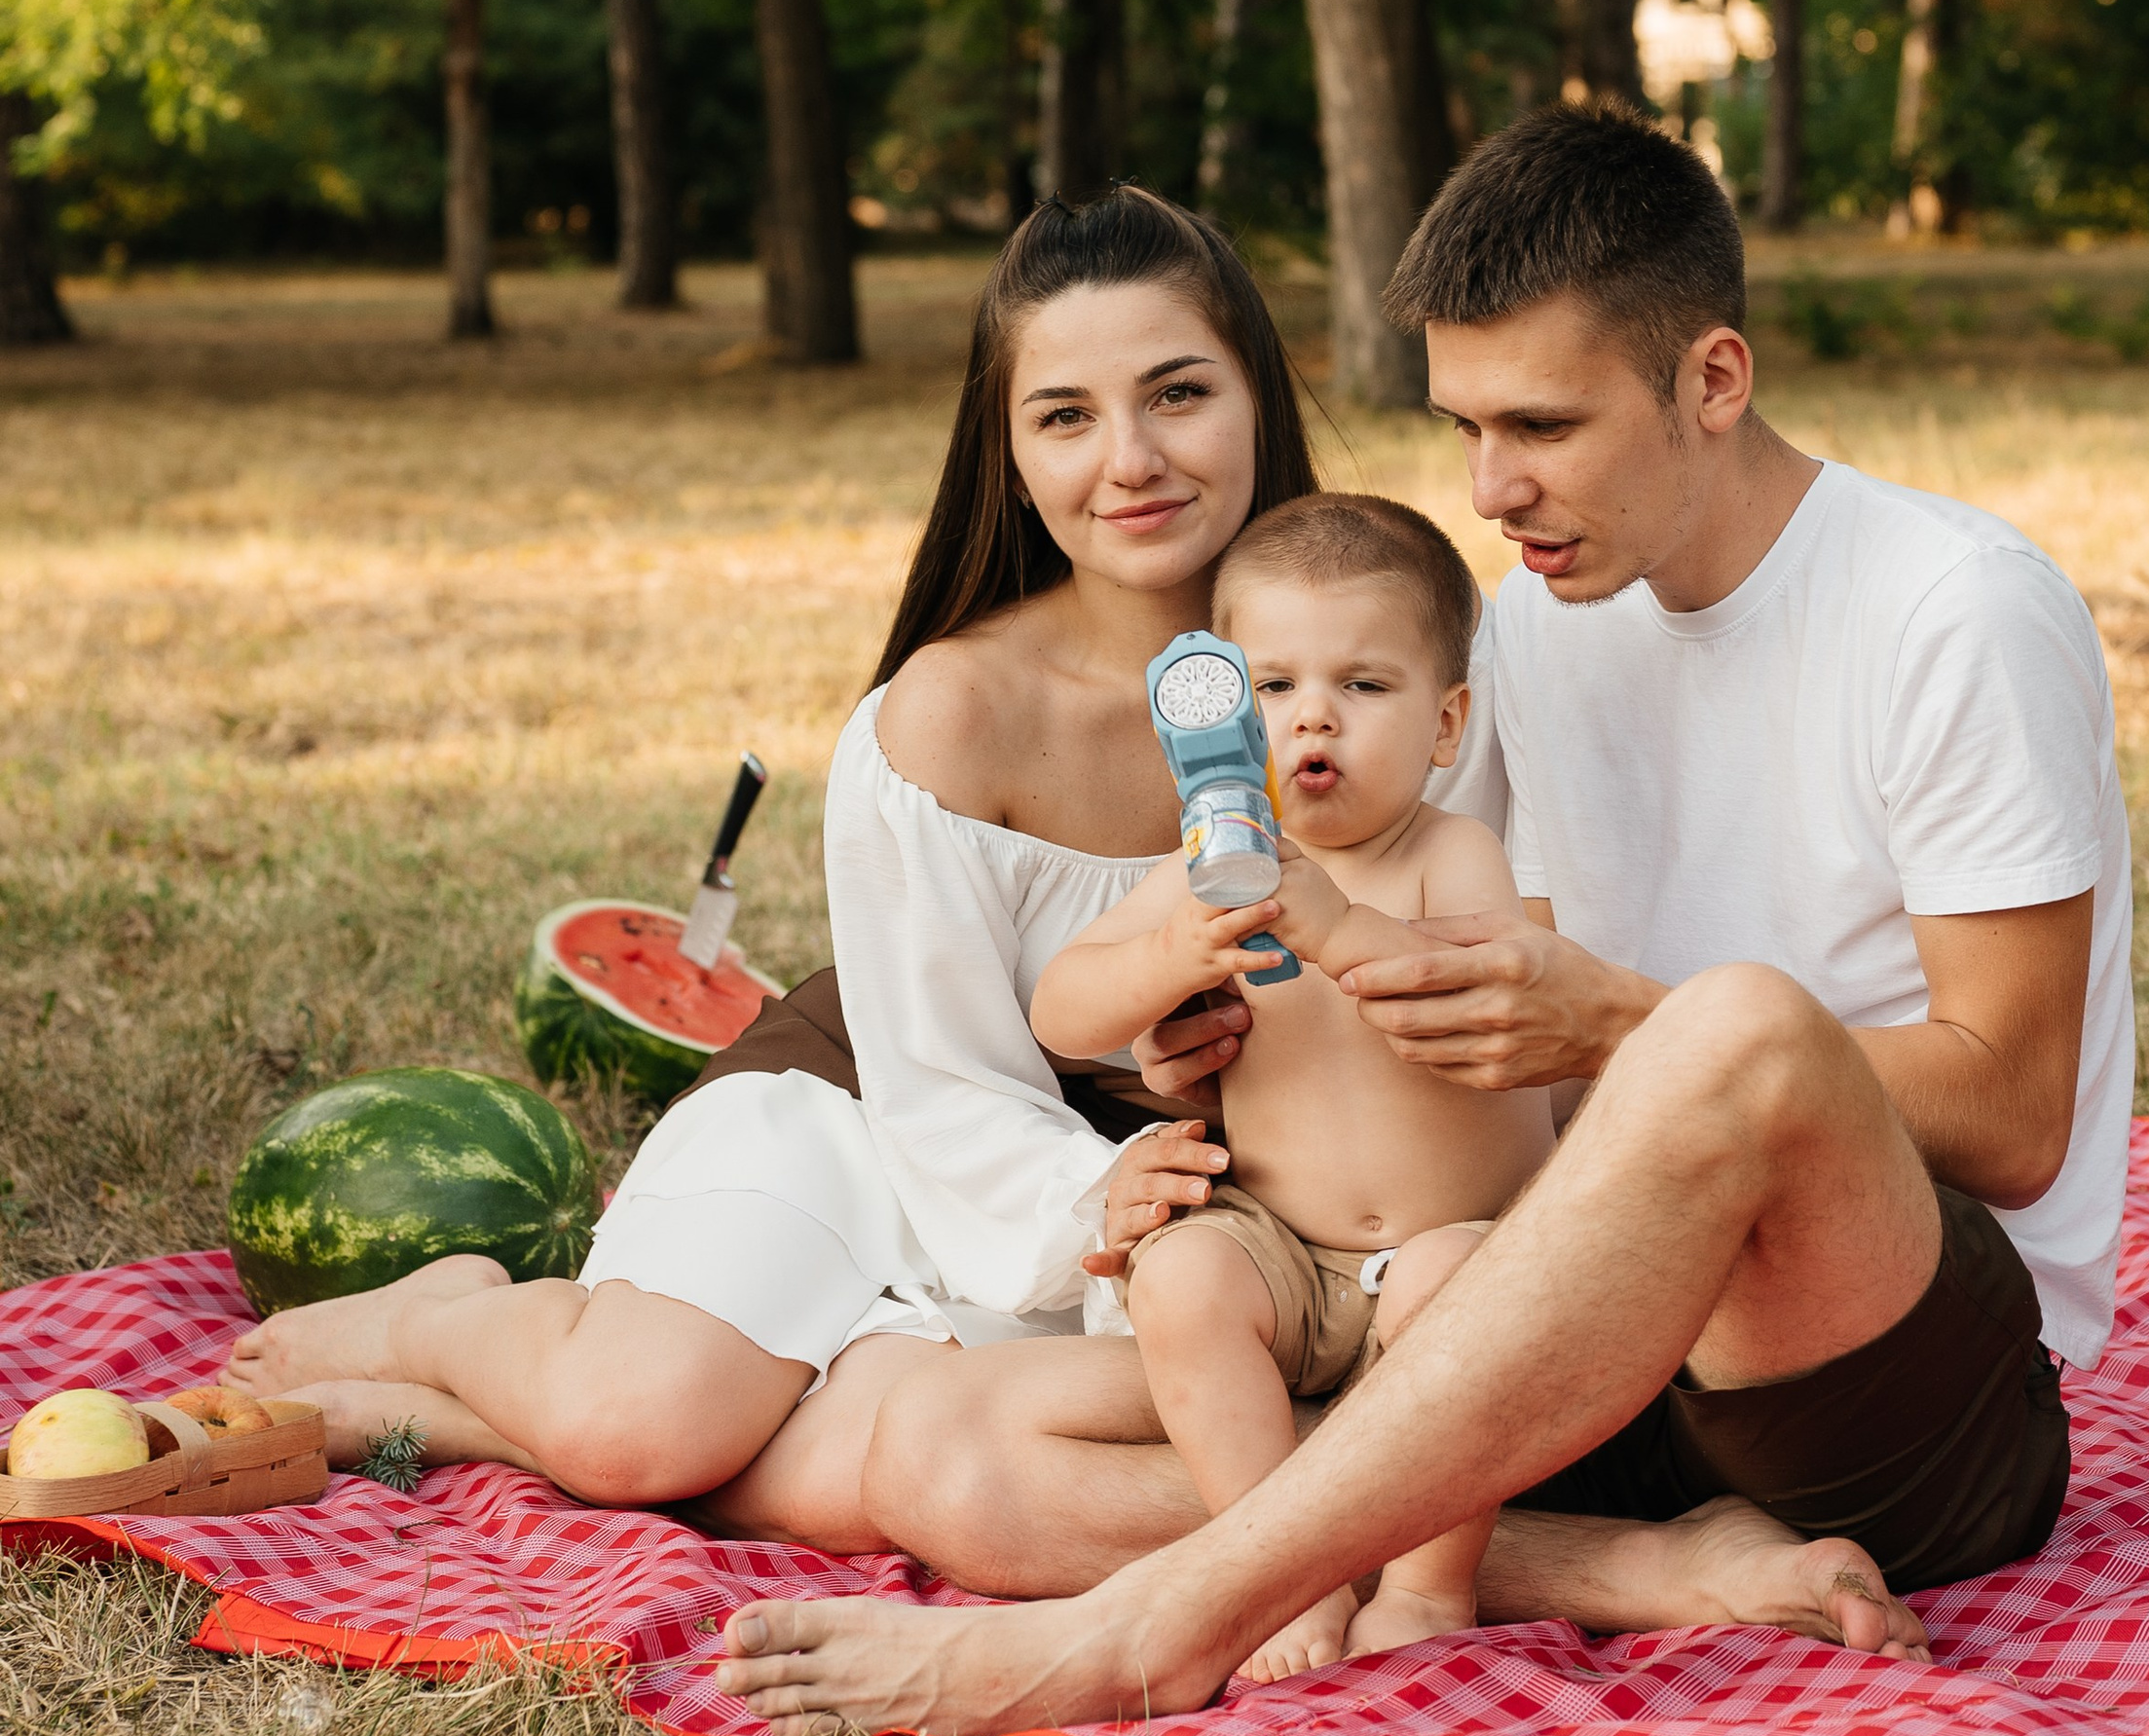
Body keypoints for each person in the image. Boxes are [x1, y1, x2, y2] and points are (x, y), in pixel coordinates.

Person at [711, 99, 2135, 1736]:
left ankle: (1157, 1624)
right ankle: (1634, 1561)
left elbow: (2017, 1112)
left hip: (1872, 1383)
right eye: (1463, 425)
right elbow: (1447, 976)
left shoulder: (1950, 611)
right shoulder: (1533, 624)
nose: (1491, 484)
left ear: (1714, 381)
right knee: (959, 1441)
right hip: (1583, 1318)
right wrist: (1229, 1049)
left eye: (1541, 422)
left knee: (1732, 1027)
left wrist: (1613, 1025)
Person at [222, 186, 1325, 1516]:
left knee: (838, 1470)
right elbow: (943, 1085)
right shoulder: (947, 719)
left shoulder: (1370, 665)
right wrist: (1105, 1191)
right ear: (1010, 454)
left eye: (1179, 395)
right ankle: (445, 1323)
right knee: (643, 1433)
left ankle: (439, 1432)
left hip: (1171, 1183)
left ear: (1259, 394)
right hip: (887, 1106)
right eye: (1066, 416)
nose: (1131, 460)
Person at [1034, 494, 1549, 1681]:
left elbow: (1464, 979)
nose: (1313, 714)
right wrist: (1173, 955)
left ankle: (1428, 1585)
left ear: (1443, 723)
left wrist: (1334, 920)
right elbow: (1062, 1008)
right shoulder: (1206, 867)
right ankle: (1276, 1564)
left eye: (1364, 686)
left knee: (1459, 1284)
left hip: (1447, 1244)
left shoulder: (1448, 853)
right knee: (1181, 1269)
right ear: (1207, 708)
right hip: (1283, 1251)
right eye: (1269, 686)